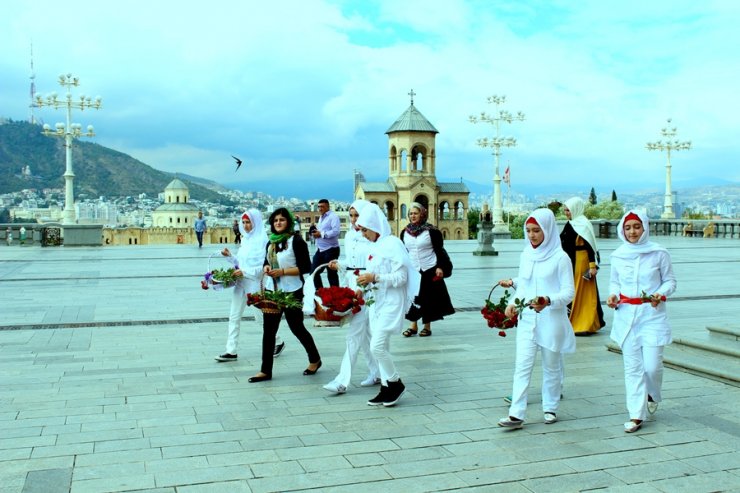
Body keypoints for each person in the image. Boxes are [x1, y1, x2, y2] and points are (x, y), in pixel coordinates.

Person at [497, 208, 576, 429]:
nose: (532, 235)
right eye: (529, 230)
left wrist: (548, 300)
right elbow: (524, 285)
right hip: (528, 320)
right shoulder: (526, 255)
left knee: (551, 366)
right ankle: (516, 414)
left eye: (536, 230)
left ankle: (550, 407)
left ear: (548, 230)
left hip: (552, 321)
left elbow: (569, 292)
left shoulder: (561, 258)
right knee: (522, 366)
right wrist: (512, 303)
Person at [607, 210, 676, 433]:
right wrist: (613, 295)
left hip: (651, 315)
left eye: (636, 227)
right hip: (626, 315)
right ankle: (636, 414)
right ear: (622, 230)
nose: (632, 232)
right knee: (633, 368)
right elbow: (614, 283)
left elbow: (670, 281)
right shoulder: (618, 255)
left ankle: (652, 394)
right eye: (628, 228)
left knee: (652, 366)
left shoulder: (659, 253)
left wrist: (660, 294)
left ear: (645, 227)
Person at [355, 203, 420, 407]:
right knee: (381, 345)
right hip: (377, 302)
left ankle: (396, 383)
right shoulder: (374, 247)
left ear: (375, 226)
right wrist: (363, 286)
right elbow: (370, 276)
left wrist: (375, 277)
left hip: (392, 302)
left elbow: (401, 277)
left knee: (377, 347)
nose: (363, 234)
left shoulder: (392, 243)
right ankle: (386, 388)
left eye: (365, 229)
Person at [248, 208, 321, 383]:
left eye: (282, 220)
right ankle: (265, 370)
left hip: (292, 290)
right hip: (273, 291)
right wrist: (267, 267)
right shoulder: (271, 242)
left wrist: (282, 271)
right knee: (269, 330)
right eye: (275, 221)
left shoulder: (296, 241)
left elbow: (305, 267)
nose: (278, 223)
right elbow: (267, 261)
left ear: (288, 222)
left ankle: (315, 359)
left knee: (296, 327)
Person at [318, 199, 380, 394]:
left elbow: (374, 262)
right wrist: (340, 264)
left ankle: (342, 380)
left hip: (366, 286)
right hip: (353, 283)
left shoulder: (372, 236)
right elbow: (352, 262)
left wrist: (365, 284)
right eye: (351, 215)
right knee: (363, 334)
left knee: (354, 333)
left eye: (357, 215)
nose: (354, 220)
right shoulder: (351, 236)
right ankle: (377, 371)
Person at [215, 210, 285, 362]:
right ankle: (231, 350)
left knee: (259, 317)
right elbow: (240, 263)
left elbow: (263, 267)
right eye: (244, 223)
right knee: (234, 315)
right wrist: (230, 257)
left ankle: (278, 341)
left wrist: (244, 271)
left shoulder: (263, 241)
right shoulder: (245, 239)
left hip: (254, 283)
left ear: (256, 223)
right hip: (240, 282)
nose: (246, 226)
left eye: (249, 223)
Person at [400, 202, 455, 337]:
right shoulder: (405, 232)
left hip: (429, 268)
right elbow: (403, 251)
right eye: (411, 213)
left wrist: (440, 266)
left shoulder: (431, 231)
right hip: (413, 269)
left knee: (428, 298)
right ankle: (413, 325)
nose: (413, 216)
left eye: (416, 213)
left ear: (422, 214)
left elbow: (439, 250)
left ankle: (427, 326)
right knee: (412, 297)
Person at [560, 197, 605, 335]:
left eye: (568, 210)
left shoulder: (583, 225)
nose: (566, 213)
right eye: (565, 210)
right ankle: (575, 321)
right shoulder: (571, 223)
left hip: (581, 262)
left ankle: (585, 323)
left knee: (583, 292)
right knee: (574, 291)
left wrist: (592, 266)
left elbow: (589, 247)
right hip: (571, 261)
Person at [310, 199, 341, 289]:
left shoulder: (333, 216)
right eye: (319, 206)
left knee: (331, 274)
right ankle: (321, 293)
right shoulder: (321, 217)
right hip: (321, 250)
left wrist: (321, 234)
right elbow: (323, 231)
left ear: (328, 207)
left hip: (331, 249)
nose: (320, 208)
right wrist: (317, 234)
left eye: (322, 206)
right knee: (314, 272)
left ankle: (335, 296)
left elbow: (336, 231)